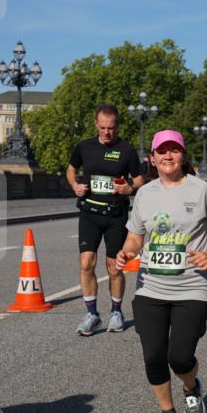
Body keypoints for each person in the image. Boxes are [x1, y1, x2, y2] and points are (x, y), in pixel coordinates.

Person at [115, 131, 207, 413]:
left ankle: (191, 386)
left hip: (191, 287)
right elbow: (136, 235)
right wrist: (127, 251)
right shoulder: (145, 194)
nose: (168, 156)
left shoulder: (201, 190)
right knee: (153, 355)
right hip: (150, 288)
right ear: (152, 158)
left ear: (183, 155)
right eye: (161, 151)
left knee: (179, 356)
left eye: (174, 150)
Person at [66, 104, 145, 336]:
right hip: (89, 213)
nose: (106, 132)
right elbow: (71, 169)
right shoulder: (84, 147)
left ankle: (116, 311)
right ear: (96, 125)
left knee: (114, 267)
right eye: (102, 128)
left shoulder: (126, 150)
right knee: (86, 262)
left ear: (116, 126)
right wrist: (75, 186)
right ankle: (91, 314)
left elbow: (140, 178)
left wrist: (128, 189)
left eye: (110, 128)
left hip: (115, 215)